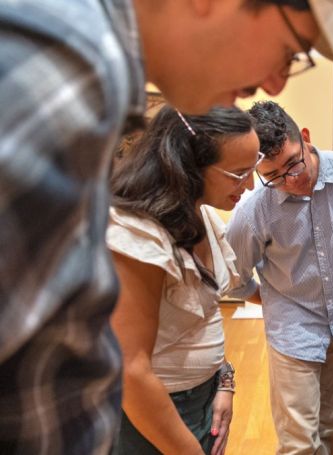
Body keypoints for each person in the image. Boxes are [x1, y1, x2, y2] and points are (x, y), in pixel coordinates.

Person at [0, 0, 333, 452]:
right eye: (289, 51)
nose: (275, 82)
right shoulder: (58, 65)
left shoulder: (98, 77)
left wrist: (224, 379)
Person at [226, 100, 333, 454]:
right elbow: (236, 280)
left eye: (293, 163)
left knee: (329, 432)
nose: (290, 180)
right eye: (273, 176)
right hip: (294, 335)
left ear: (306, 138)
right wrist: (278, 301)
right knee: (299, 444)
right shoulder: (253, 212)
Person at [107, 105, 260, 454]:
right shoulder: (137, 234)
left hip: (202, 399)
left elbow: (203, 320)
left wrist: (224, 381)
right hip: (149, 417)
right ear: (189, 165)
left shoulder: (202, 215)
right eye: (239, 174)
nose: (250, 185)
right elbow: (131, 371)